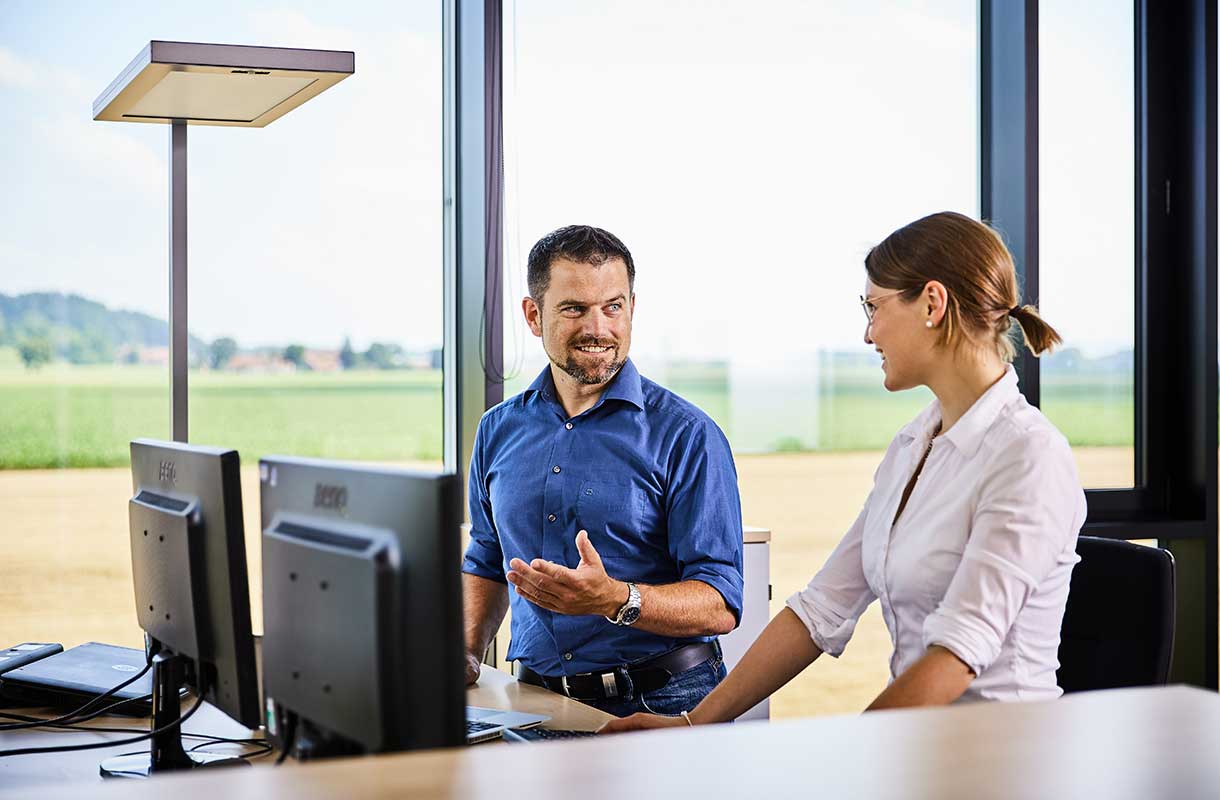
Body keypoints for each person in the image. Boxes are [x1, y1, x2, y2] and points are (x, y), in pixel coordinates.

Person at [602, 211, 1087, 733]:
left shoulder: (1027, 456)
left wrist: (853, 758)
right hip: (921, 749)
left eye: (873, 307)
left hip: (1002, 760)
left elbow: (956, 655)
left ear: (931, 303)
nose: (866, 333)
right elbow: (820, 611)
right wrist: (694, 723)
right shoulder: (913, 445)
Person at [461, 224, 744, 717]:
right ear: (533, 315)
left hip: (666, 699)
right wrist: (464, 650)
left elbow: (720, 603)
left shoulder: (687, 434)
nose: (598, 328)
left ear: (632, 307)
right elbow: (488, 559)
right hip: (534, 700)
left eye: (613, 307)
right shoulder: (497, 431)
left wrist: (614, 599)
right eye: (574, 309)